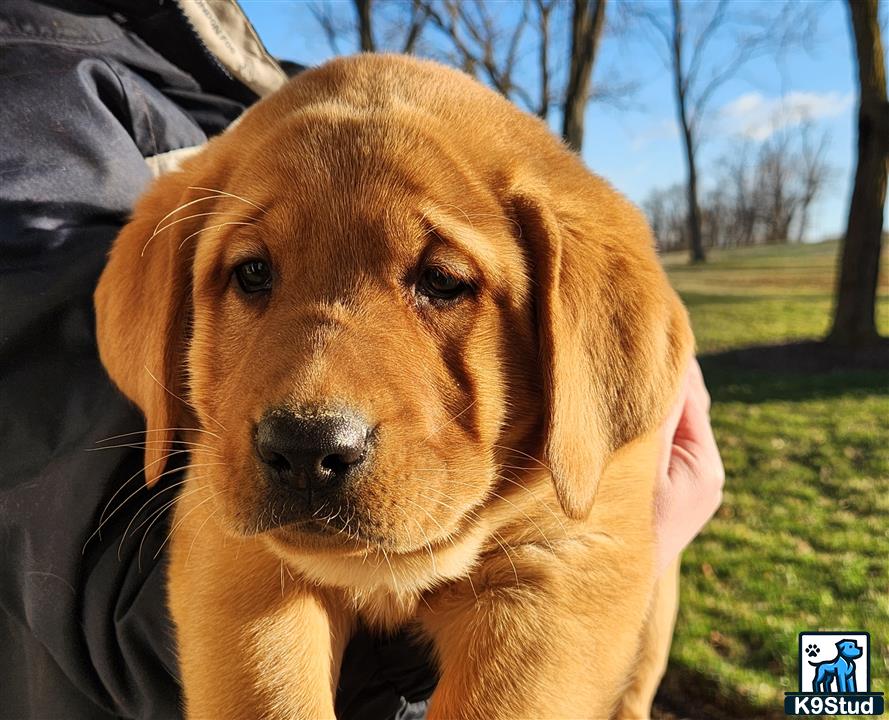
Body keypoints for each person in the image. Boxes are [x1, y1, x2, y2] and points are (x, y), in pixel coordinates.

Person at [0, 1, 724, 717]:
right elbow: (116, 576)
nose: (312, 396)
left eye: (441, 282)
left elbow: (571, 560)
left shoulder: (240, 70)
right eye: (253, 274)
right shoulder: (30, 92)